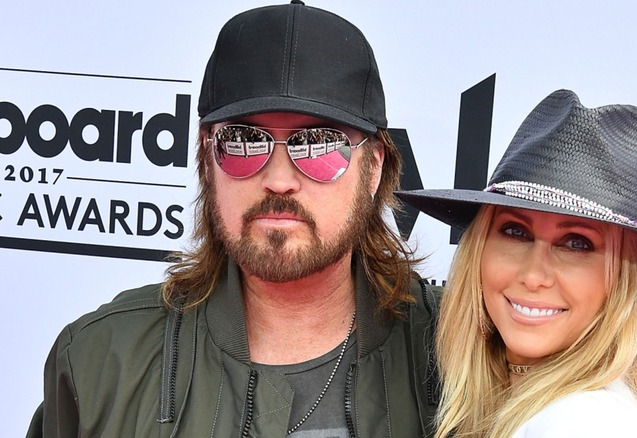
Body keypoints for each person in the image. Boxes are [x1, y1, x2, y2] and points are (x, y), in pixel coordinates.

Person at [27, 2, 440, 437]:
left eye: (318, 145)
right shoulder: (101, 361)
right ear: (207, 158)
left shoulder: (458, 355)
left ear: (373, 168)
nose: (279, 180)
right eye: (244, 141)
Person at [397, 89, 637, 437]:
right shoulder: (547, 407)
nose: (534, 275)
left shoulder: (582, 423)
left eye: (576, 243)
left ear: (627, 279)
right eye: (515, 231)